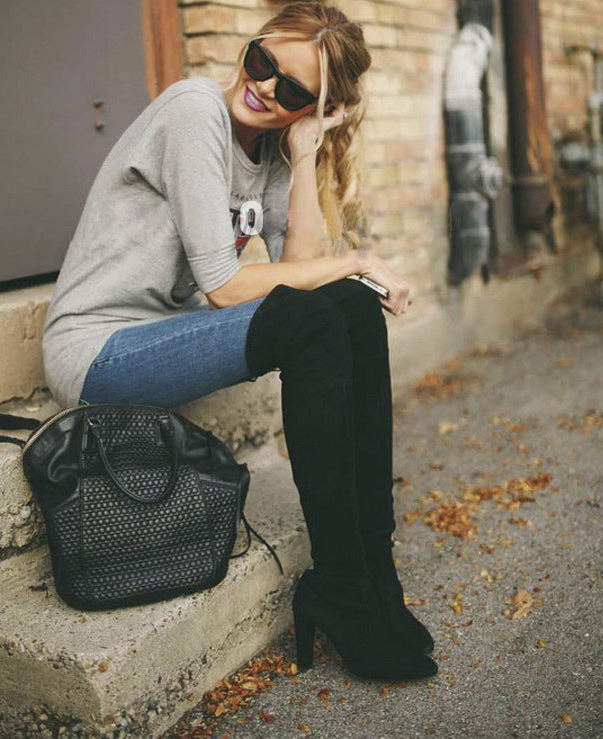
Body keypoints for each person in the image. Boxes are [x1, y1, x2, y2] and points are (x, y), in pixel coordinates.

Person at [43, 1, 437, 680]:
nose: (264, 87)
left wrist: (303, 153)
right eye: (262, 61)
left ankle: (373, 570)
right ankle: (342, 585)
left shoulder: (272, 147)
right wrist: (358, 258)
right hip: (98, 352)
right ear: (253, 45)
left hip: (164, 337)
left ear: (317, 107)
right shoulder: (193, 109)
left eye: (293, 91)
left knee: (347, 305)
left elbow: (302, 271)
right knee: (324, 306)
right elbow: (225, 288)